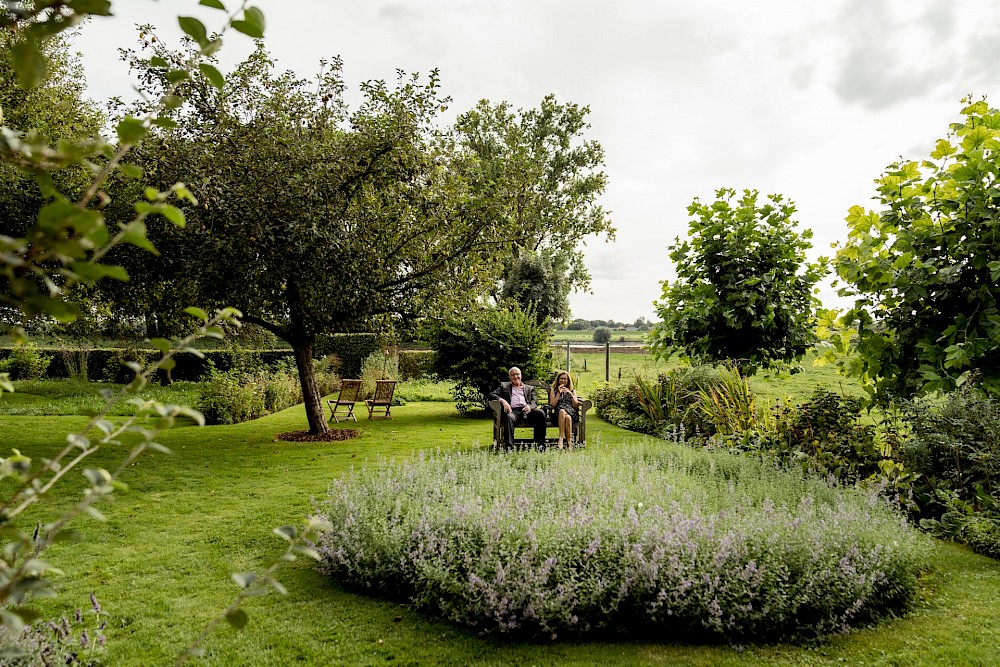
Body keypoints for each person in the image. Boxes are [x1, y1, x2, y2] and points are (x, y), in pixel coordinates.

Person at [489, 366, 548, 451]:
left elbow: (534, 401)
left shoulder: (529, 388)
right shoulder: (504, 386)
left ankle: (540, 445)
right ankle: (509, 446)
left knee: (540, 413)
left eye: (517, 374)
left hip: (527, 410)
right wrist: (502, 401)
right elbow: (491, 395)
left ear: (521, 375)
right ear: (509, 377)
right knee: (509, 417)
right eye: (513, 375)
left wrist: (529, 406)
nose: (516, 377)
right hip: (513, 411)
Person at [549, 370, 579, 449]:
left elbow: (575, 406)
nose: (563, 380)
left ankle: (561, 439)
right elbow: (553, 404)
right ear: (558, 380)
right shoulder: (554, 390)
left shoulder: (572, 391)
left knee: (566, 414)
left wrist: (571, 394)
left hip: (571, 411)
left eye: (565, 379)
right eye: (561, 379)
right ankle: (569, 444)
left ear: (568, 380)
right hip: (558, 414)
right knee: (566, 416)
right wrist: (558, 393)